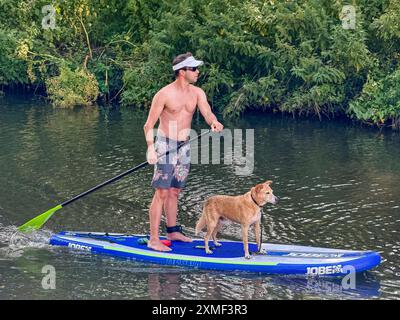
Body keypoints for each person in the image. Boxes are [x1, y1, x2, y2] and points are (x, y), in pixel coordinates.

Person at [143, 52, 224, 251]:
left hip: (184, 146)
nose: (198, 72)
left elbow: (206, 112)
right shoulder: (164, 94)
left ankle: (172, 231)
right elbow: (148, 125)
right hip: (164, 145)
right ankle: (154, 239)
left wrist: (214, 121)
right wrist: (151, 149)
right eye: (193, 69)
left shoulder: (197, 93)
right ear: (181, 72)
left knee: (175, 191)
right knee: (161, 192)